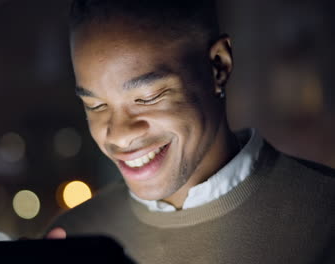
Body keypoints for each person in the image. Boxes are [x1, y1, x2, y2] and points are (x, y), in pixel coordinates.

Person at [46, 0, 335, 263]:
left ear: (218, 66)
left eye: (147, 97)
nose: (119, 135)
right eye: (95, 106)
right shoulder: (72, 238)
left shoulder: (325, 217)